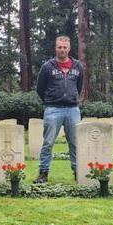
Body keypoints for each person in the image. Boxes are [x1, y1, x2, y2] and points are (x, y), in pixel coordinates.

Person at [34, 35, 85, 183]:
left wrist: (72, 98)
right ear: (55, 48)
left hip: (72, 110)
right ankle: (43, 173)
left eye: (64, 47)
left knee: (75, 142)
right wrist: (50, 101)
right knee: (48, 142)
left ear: (69, 48)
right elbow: (40, 88)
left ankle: (78, 172)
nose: (62, 50)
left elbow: (79, 86)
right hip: (53, 109)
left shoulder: (77, 66)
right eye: (59, 47)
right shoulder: (47, 66)